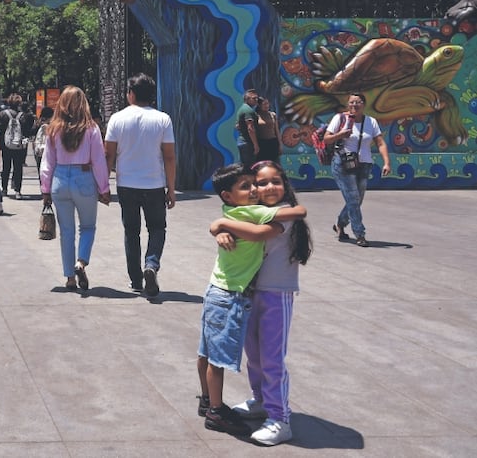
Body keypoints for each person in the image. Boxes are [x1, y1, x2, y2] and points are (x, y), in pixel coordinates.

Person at [197, 163, 306, 437]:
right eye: (260, 183)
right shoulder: (251, 212)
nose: (267, 188)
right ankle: (261, 400)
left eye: (275, 181)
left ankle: (281, 419)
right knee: (255, 356)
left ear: (285, 184)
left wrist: (221, 225)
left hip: (276, 293)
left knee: (271, 358)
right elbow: (233, 225)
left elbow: (256, 232)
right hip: (248, 293)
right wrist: (219, 230)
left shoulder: (282, 216)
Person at [104, 73, 177, 297]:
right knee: (157, 228)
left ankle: (136, 280)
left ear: (131, 94)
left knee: (131, 231)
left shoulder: (117, 118)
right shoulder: (163, 119)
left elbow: (109, 155)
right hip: (154, 184)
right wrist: (171, 188)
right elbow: (169, 157)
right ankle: (151, 264)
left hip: (126, 184)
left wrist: (104, 185)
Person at [39, 87, 111, 290]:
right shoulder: (91, 129)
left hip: (60, 180)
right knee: (87, 227)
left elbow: (47, 162)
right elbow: (98, 160)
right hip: (84, 178)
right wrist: (104, 188)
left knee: (67, 231)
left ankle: (69, 278)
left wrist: (46, 189)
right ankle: (81, 263)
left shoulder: (53, 129)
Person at [324, 92, 390, 247]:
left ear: (363, 104)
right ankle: (360, 233)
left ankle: (340, 224)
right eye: (351, 102)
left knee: (356, 200)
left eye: (358, 102)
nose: (354, 105)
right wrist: (340, 134)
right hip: (343, 163)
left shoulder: (371, 121)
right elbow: (326, 139)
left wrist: (387, 162)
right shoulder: (339, 119)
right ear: (348, 104)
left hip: (364, 164)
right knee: (353, 199)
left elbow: (380, 143)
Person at [0, 93, 34, 199]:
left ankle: (4, 189)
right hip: (19, 146)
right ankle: (18, 190)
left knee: (6, 167)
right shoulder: (23, 116)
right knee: (18, 168)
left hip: (6, 145)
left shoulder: (2, 114)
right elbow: (28, 130)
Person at [235, 89, 261, 168]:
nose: (256, 100)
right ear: (247, 99)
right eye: (254, 98)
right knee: (249, 168)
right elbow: (250, 128)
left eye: (257, 98)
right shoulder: (248, 110)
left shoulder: (243, 109)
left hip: (243, 142)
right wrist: (255, 145)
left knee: (244, 166)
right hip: (247, 143)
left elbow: (237, 125)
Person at [253, 97, 281, 163]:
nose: (267, 106)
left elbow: (277, 131)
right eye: (264, 104)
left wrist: (280, 144)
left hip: (273, 142)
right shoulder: (256, 116)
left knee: (275, 163)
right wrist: (255, 145)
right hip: (262, 143)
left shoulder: (272, 115)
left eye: (267, 103)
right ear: (259, 105)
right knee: (263, 163)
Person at [33, 106, 54, 171]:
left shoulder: (38, 123)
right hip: (48, 151)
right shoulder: (52, 124)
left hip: (38, 150)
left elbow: (33, 135)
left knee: (40, 169)